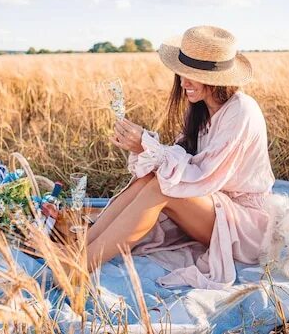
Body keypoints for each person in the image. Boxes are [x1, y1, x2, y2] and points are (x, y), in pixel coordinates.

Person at [84, 25, 276, 289]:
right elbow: (179, 164)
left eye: (192, 75)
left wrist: (149, 147)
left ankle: (80, 265)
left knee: (162, 188)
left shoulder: (241, 111)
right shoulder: (199, 111)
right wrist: (143, 149)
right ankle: (81, 246)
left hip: (246, 226)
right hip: (215, 209)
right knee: (153, 179)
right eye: (182, 73)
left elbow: (202, 177)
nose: (184, 83)